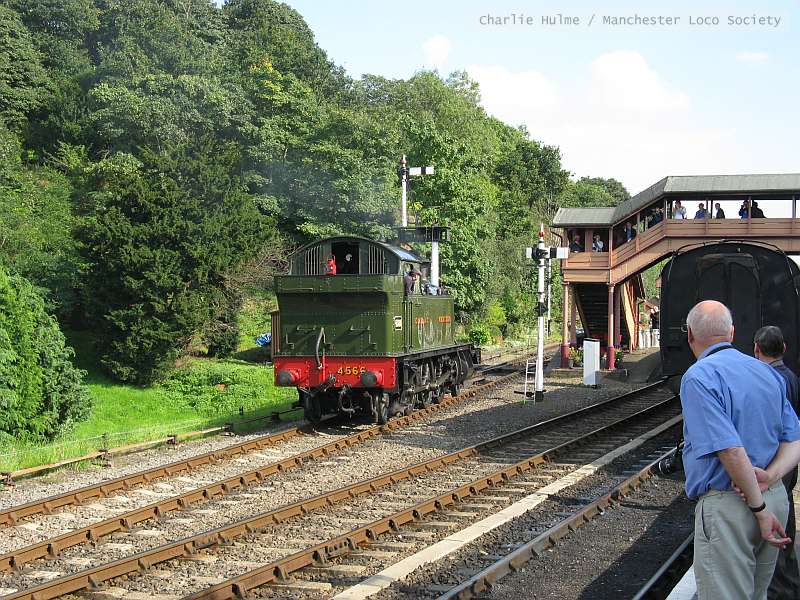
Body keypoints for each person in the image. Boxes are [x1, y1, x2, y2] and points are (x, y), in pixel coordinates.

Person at [680, 301, 800, 600]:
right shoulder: (768, 373)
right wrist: (771, 476)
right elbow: (795, 439)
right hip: (774, 498)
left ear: (690, 334)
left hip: (733, 507)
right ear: (732, 332)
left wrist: (758, 509)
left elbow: (730, 450)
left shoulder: (698, 377)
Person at [754, 326, 800, 599]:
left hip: (774, 464)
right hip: (789, 461)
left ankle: (780, 588)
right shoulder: (792, 377)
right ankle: (789, 584)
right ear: (783, 349)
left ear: (756, 349)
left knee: (775, 527)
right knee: (787, 519)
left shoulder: (767, 380)